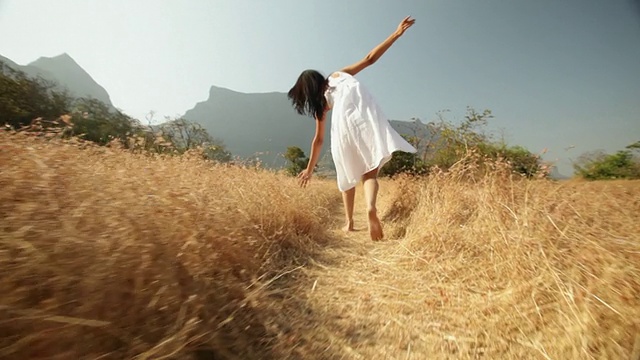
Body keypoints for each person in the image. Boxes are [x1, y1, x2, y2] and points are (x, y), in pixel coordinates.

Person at [287, 16, 417, 241]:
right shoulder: (339, 75)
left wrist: (309, 169)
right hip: (367, 116)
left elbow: (318, 140)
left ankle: (349, 223)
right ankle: (370, 208)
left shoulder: (321, 104)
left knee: (346, 174)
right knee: (370, 172)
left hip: (343, 126)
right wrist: (396, 34)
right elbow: (369, 59)